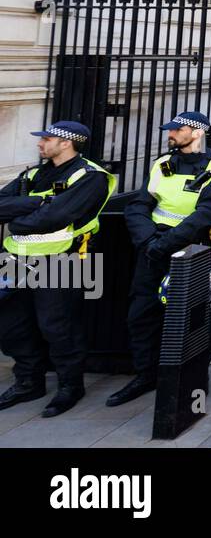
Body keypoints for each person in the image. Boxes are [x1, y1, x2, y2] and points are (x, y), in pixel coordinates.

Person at [108, 111, 211, 407]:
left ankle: (193, 376)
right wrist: (149, 240)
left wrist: (166, 242)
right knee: (141, 314)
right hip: (152, 248)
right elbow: (139, 205)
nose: (171, 134)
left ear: (198, 132)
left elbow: (209, 212)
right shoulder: (162, 163)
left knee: (195, 317)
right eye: (171, 130)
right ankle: (146, 374)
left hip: (191, 251)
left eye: (177, 130)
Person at [0, 121, 114, 417]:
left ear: (67, 142)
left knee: (59, 326)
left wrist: (20, 215)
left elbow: (55, 217)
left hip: (66, 259)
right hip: (17, 259)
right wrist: (37, 202)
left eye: (47, 138)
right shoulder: (35, 173)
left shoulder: (91, 176)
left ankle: (70, 386)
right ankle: (28, 381)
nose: (40, 143)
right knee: (12, 324)